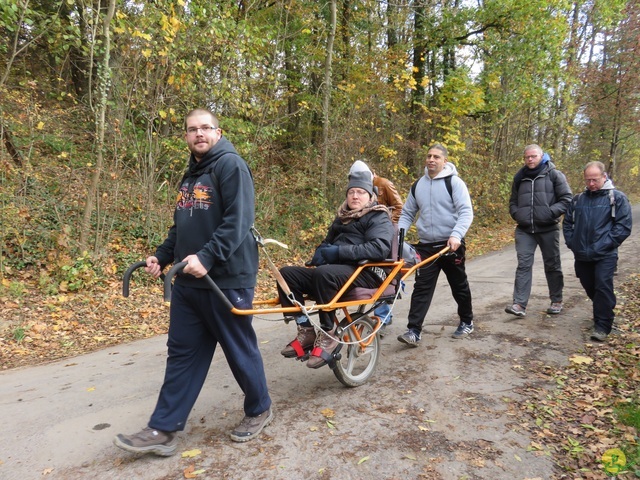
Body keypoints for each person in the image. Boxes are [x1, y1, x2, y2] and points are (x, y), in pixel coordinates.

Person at [114, 109, 272, 457]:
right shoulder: (190, 175)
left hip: (225, 279)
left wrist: (208, 257)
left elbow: (239, 220)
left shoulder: (231, 166)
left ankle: (259, 407)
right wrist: (162, 255)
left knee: (238, 349)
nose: (198, 134)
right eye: (192, 130)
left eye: (205, 128)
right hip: (188, 280)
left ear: (218, 132)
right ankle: (163, 428)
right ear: (185, 136)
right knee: (182, 354)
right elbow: (181, 226)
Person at [278, 163, 394, 368]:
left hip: (367, 271)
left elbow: (380, 248)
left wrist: (339, 253)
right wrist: (320, 254)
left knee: (324, 274)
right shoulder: (342, 217)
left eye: (360, 192)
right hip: (337, 271)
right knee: (286, 274)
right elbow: (327, 242)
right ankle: (305, 330)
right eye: (351, 192)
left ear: (370, 195)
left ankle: (329, 332)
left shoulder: (378, 216)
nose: (355, 196)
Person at [396, 143, 474, 345]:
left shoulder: (455, 183)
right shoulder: (418, 185)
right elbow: (407, 213)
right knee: (422, 287)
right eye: (429, 156)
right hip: (426, 246)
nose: (431, 159)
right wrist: (399, 236)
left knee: (459, 286)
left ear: (444, 161)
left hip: (450, 245)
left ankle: (467, 321)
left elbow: (466, 212)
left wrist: (456, 235)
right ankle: (413, 330)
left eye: (436, 157)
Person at [563, 161, 632, 342]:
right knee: (589, 285)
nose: (591, 184)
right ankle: (605, 309)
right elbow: (568, 223)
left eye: (594, 180)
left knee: (602, 285)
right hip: (582, 254)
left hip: (605, 254)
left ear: (604, 177)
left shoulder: (616, 198)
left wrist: (604, 244)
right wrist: (572, 242)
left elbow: (623, 227)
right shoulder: (578, 199)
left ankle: (602, 325)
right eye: (588, 180)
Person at [505, 145, 572, 318]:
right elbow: (513, 201)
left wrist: (549, 213)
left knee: (552, 265)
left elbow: (566, 199)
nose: (530, 160)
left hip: (548, 228)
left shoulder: (554, 174)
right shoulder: (520, 177)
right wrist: (517, 213)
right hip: (525, 229)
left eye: (533, 156)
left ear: (541, 156)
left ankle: (556, 300)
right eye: (527, 157)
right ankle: (519, 304)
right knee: (523, 265)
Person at [349, 160, 404, 335]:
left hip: (385, 230)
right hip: (368, 232)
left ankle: (383, 316)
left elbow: (399, 206)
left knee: (386, 269)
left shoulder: (384, 184)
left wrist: (387, 223)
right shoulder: (357, 189)